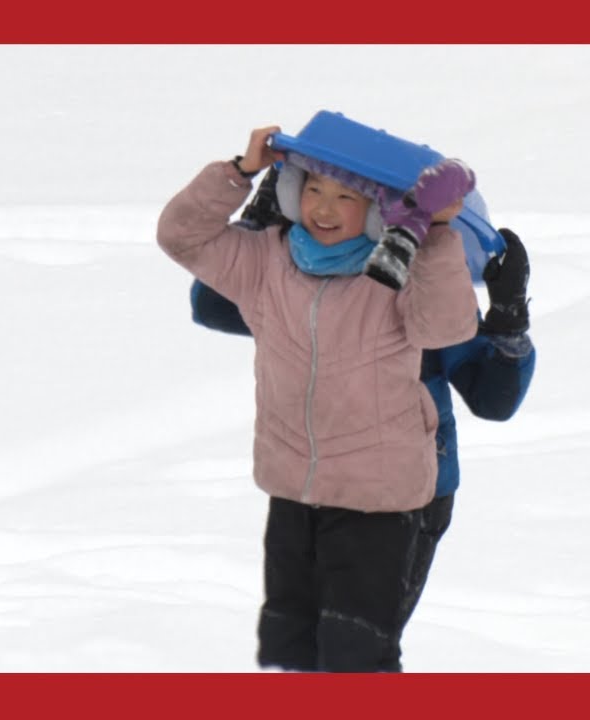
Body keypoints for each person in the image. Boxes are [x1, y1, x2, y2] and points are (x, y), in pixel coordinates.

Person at [156, 125, 480, 672]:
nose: (323, 209)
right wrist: (238, 172)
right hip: (292, 491)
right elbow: (181, 237)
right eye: (312, 190)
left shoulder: (397, 276)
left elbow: (448, 325)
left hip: (377, 501)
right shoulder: (264, 263)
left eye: (344, 197)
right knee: (290, 648)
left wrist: (438, 236)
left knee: (355, 657)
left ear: (376, 211)